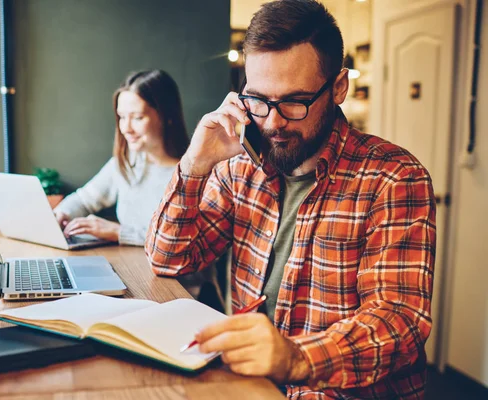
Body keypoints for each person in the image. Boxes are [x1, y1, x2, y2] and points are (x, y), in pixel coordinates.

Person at [145, 1, 436, 398]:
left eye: (295, 101)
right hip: (251, 387)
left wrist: (297, 358)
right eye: (258, 100)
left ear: (338, 88)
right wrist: (194, 165)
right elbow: (169, 258)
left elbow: (399, 322)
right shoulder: (238, 169)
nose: (272, 122)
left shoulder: (394, 177)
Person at [54, 69, 189, 246]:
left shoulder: (191, 174)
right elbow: (84, 199)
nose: (126, 128)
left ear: (167, 116)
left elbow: (182, 241)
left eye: (138, 118)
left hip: (173, 273)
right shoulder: (127, 161)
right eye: (122, 117)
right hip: (131, 265)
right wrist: (62, 213)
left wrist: (118, 232)